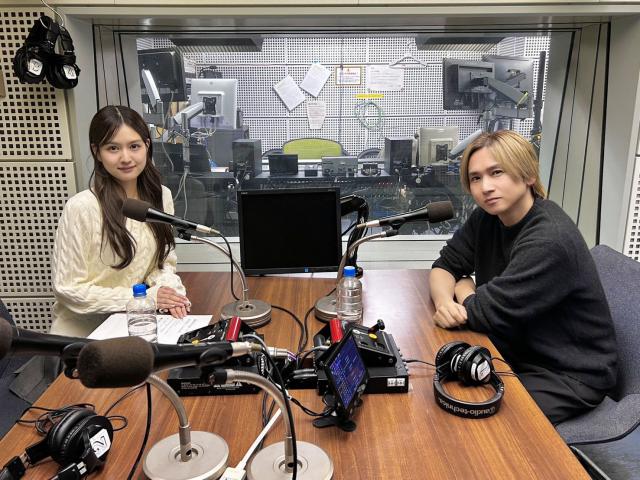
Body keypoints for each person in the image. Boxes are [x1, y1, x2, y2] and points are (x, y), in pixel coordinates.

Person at [429, 129, 617, 424]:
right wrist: (444, 302)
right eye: (476, 178)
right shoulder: (488, 218)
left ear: (528, 175)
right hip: (515, 351)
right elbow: (445, 265)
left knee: (475, 419)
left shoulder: (549, 239)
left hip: (568, 375)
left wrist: (465, 289)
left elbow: (482, 313)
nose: (486, 187)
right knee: (437, 388)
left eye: (497, 172)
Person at [51, 105, 191, 337]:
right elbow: (68, 289)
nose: (126, 158)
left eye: (134, 146)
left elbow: (162, 264)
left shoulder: (161, 196)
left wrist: (171, 294)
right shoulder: (81, 208)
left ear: (147, 145)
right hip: (84, 336)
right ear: (97, 152)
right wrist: (144, 298)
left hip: (137, 326)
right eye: (113, 148)